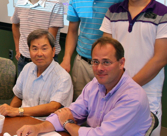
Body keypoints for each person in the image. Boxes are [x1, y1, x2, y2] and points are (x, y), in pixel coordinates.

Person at [16, 37, 152, 136]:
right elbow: (72, 112)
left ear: (121, 63)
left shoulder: (133, 97)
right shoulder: (95, 85)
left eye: (106, 62)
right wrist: (38, 129)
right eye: (95, 62)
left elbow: (100, 135)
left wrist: (67, 124)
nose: (99, 68)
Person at [101, 0, 167, 135]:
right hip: (114, 90)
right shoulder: (113, 11)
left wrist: (128, 86)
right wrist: (115, 86)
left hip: (147, 92)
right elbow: (105, 50)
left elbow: (160, 58)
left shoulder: (163, 13)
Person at [59, 0, 126, 99]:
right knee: (80, 103)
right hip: (82, 62)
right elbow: (72, 31)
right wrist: (66, 58)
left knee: (108, 104)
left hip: (108, 65)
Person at [0, 29, 72, 119]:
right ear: (29, 51)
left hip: (46, 125)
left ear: (53, 51)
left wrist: (18, 111)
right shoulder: (27, 68)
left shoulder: (63, 78)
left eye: (44, 49)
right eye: (34, 49)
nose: (39, 54)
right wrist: (9, 112)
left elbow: (53, 107)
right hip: (22, 119)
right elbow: (18, 96)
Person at [11, 0, 64, 75]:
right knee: (23, 92)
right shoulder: (20, 3)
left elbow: (51, 38)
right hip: (24, 60)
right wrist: (17, 48)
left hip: (46, 61)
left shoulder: (55, 3)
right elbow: (15, 24)